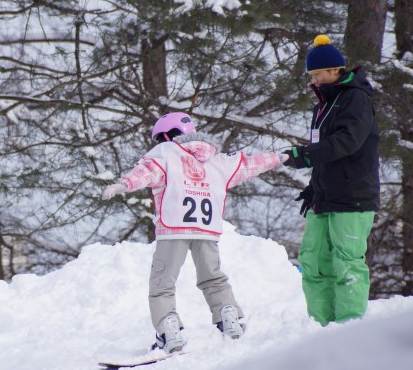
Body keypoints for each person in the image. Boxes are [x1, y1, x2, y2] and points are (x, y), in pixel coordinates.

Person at [102, 112, 286, 353]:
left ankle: (169, 332)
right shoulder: (218, 159)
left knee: (162, 283)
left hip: (174, 227)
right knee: (213, 276)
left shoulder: (166, 153)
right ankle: (228, 316)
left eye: (161, 138)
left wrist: (124, 184)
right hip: (207, 229)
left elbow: (147, 172)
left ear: (169, 136)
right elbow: (250, 164)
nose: (160, 143)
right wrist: (280, 156)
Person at [283, 34, 380, 326]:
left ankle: (349, 327)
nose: (314, 79)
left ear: (336, 70)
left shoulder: (356, 99)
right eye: (311, 74)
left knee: (347, 262)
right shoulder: (324, 105)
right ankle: (320, 325)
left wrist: (306, 155)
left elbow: (346, 142)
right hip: (325, 197)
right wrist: (314, 187)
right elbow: (328, 154)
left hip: (353, 197)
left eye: (318, 73)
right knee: (312, 261)